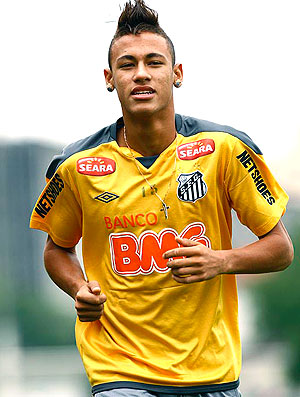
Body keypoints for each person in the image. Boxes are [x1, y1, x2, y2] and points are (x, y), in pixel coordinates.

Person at [30, 1, 294, 396]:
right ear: (109, 77)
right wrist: (78, 288)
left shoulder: (224, 149)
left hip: (212, 372)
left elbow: (281, 250)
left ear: (177, 74)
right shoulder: (76, 165)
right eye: (127, 64)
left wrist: (220, 261)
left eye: (153, 62)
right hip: (121, 369)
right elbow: (57, 249)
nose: (141, 74)